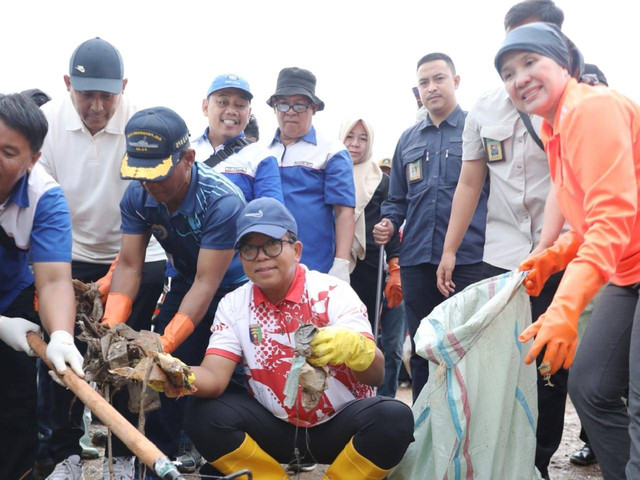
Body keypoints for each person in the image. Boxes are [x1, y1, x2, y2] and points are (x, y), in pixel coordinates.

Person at [495, 22, 640, 479]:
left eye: (530, 62)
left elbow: (613, 217)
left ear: (565, 64)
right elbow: (589, 217)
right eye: (508, 72)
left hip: (627, 263)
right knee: (592, 386)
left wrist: (566, 306)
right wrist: (556, 254)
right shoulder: (553, 129)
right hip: (626, 272)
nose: (519, 78)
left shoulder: (592, 109)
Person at [434, 2, 572, 477]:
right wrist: (450, 250)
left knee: (550, 364)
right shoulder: (487, 108)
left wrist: (549, 245)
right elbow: (470, 183)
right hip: (504, 259)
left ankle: (538, 462)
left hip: (562, 255)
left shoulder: (579, 95)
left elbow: (567, 175)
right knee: (501, 363)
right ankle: (500, 458)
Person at [184, 197, 414, 480]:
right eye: (249, 248)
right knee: (203, 414)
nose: (261, 256)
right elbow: (214, 377)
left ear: (296, 250)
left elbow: (376, 376)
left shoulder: (332, 292)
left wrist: (356, 349)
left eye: (271, 244)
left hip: (340, 425)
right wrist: (175, 374)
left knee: (394, 418)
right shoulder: (233, 304)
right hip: (276, 427)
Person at [39, 37, 166, 480]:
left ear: (124, 87)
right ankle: (59, 448)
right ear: (67, 84)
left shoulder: (140, 124)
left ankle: (125, 446)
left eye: (106, 95)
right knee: (63, 353)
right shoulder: (46, 124)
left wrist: (117, 272)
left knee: (125, 351)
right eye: (86, 93)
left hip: (133, 253)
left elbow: (143, 201)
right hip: (66, 253)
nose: (96, 105)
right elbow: (44, 203)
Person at [103, 106, 248, 472]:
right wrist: (110, 326)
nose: (150, 187)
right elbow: (131, 265)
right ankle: (159, 461)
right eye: (141, 176)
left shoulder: (221, 201)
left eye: (158, 176)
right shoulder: (138, 197)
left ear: (187, 158)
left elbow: (208, 282)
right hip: (184, 281)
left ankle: (217, 462)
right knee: (159, 380)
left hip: (235, 291)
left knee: (217, 376)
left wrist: (166, 343)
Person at [374, 53, 488, 401]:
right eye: (423, 82)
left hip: (470, 259)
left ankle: (469, 433)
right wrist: (389, 223)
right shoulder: (408, 140)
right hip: (417, 262)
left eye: (439, 78)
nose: (431, 87)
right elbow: (397, 199)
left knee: (468, 347)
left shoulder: (477, 129)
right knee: (423, 346)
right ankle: (424, 430)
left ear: (456, 81)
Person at [0, 93, 84, 480]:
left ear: (32, 160)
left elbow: (52, 279)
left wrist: (62, 335)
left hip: (11, 288)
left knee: (14, 400)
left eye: (7, 151)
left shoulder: (45, 198)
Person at [267, 67, 355, 282]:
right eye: (283, 104)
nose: (290, 111)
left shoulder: (331, 150)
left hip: (315, 266)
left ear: (313, 108)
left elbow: (344, 211)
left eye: (299, 104)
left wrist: (341, 263)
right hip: (268, 263)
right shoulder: (262, 153)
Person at [339, 119, 405, 398]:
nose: (355, 143)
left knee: (365, 336)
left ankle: (375, 399)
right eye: (350, 137)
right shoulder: (330, 170)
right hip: (334, 264)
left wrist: (395, 264)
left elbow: (391, 222)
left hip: (369, 268)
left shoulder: (382, 180)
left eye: (363, 138)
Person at [193, 73, 283, 203]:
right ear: (205, 107)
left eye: (240, 105)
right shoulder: (186, 152)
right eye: (223, 102)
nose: (231, 111)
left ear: (249, 113)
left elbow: (271, 214)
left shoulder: (262, 158)